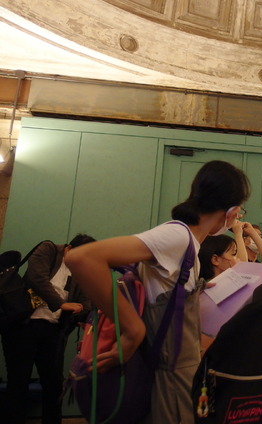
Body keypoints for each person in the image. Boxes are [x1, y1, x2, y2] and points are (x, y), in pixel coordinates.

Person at [66, 160, 250, 424]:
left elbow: (160, 293)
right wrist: (133, 330)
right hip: (169, 382)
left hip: (177, 377)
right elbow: (82, 258)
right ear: (230, 211)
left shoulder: (189, 245)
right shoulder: (177, 236)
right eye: (240, 211)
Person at [1, 234, 95, 424]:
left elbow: (86, 300)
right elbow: (37, 278)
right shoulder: (48, 249)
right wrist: (62, 304)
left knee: (53, 385)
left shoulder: (80, 269)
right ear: (69, 248)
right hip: (24, 326)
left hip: (52, 331)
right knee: (18, 382)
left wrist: (84, 311)